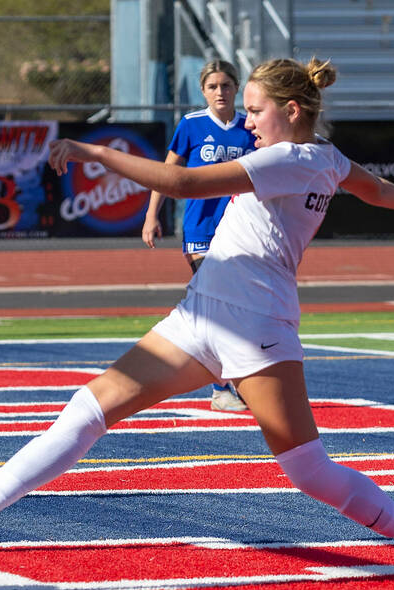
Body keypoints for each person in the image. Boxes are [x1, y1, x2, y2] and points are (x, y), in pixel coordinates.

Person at [0, 58, 394, 588]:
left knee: (309, 471)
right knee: (91, 406)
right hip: (200, 315)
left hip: (257, 329)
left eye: (255, 110)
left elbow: (180, 183)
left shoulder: (287, 158)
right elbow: (373, 187)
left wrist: (93, 153)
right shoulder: (326, 158)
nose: (247, 122)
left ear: (291, 111)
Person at [143, 59, 258, 412]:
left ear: (236, 88)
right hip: (201, 228)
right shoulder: (191, 125)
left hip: (239, 230)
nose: (220, 92)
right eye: (212, 87)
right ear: (203, 91)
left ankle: (232, 382)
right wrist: (152, 214)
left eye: (225, 85)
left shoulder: (250, 128)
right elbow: (167, 173)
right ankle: (222, 388)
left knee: (236, 306)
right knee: (217, 301)